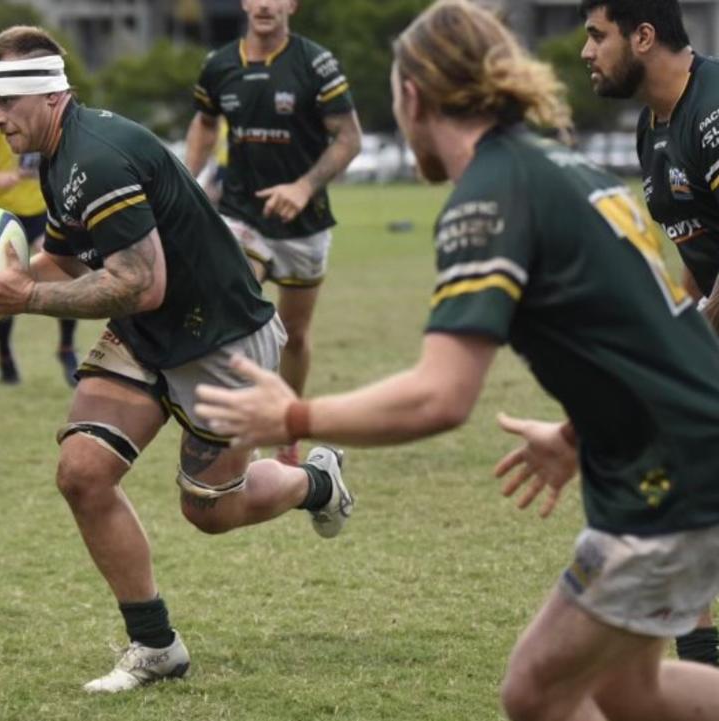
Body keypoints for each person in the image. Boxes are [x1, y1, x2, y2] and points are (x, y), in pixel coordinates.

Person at [195, 2, 719, 718]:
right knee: (631, 690)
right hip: (679, 453)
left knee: (536, 690)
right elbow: (657, 339)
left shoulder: (488, 197)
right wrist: (574, 435)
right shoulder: (558, 166)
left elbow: (441, 395)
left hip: (671, 479)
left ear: (413, 96)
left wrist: (292, 412)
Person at [0, 25, 353, 693]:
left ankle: (317, 482)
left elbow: (141, 281)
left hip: (220, 342)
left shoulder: (98, 158)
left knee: (210, 511)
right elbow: (65, 252)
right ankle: (154, 643)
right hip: (146, 336)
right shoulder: (56, 157)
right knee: (82, 473)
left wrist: (25, 295)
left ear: (52, 94)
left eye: (8, 99)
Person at [579, 0, 719, 667]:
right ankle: (701, 662)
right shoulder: (650, 130)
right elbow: (700, 261)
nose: (584, 52)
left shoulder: (715, 111)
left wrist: (687, 344)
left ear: (642, 36)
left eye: (595, 35)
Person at [184, 0, 362, 465]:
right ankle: (226, 427)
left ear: (292, 5)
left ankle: (287, 428)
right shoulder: (219, 65)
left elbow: (349, 138)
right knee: (234, 306)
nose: (265, 4)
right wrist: (186, 183)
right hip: (242, 214)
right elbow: (204, 125)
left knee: (296, 335)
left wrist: (303, 187)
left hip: (304, 223)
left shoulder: (316, 63)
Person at [0, 102, 78, 386]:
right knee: (0, 281)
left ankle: (67, 347)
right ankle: (4, 354)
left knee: (66, 271)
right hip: (4, 216)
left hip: (46, 211)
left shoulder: (48, 110)